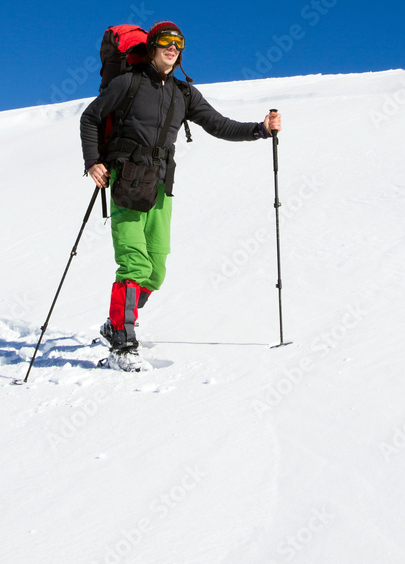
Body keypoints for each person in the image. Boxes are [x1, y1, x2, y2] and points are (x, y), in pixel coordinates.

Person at [79, 20, 282, 370]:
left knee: (155, 271)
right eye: (165, 41)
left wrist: (260, 130)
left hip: (160, 186)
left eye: (178, 43)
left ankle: (116, 322)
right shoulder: (128, 83)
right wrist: (93, 162)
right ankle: (122, 347)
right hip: (126, 181)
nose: (172, 47)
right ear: (152, 46)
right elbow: (90, 118)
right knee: (134, 263)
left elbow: (219, 125)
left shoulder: (184, 93)